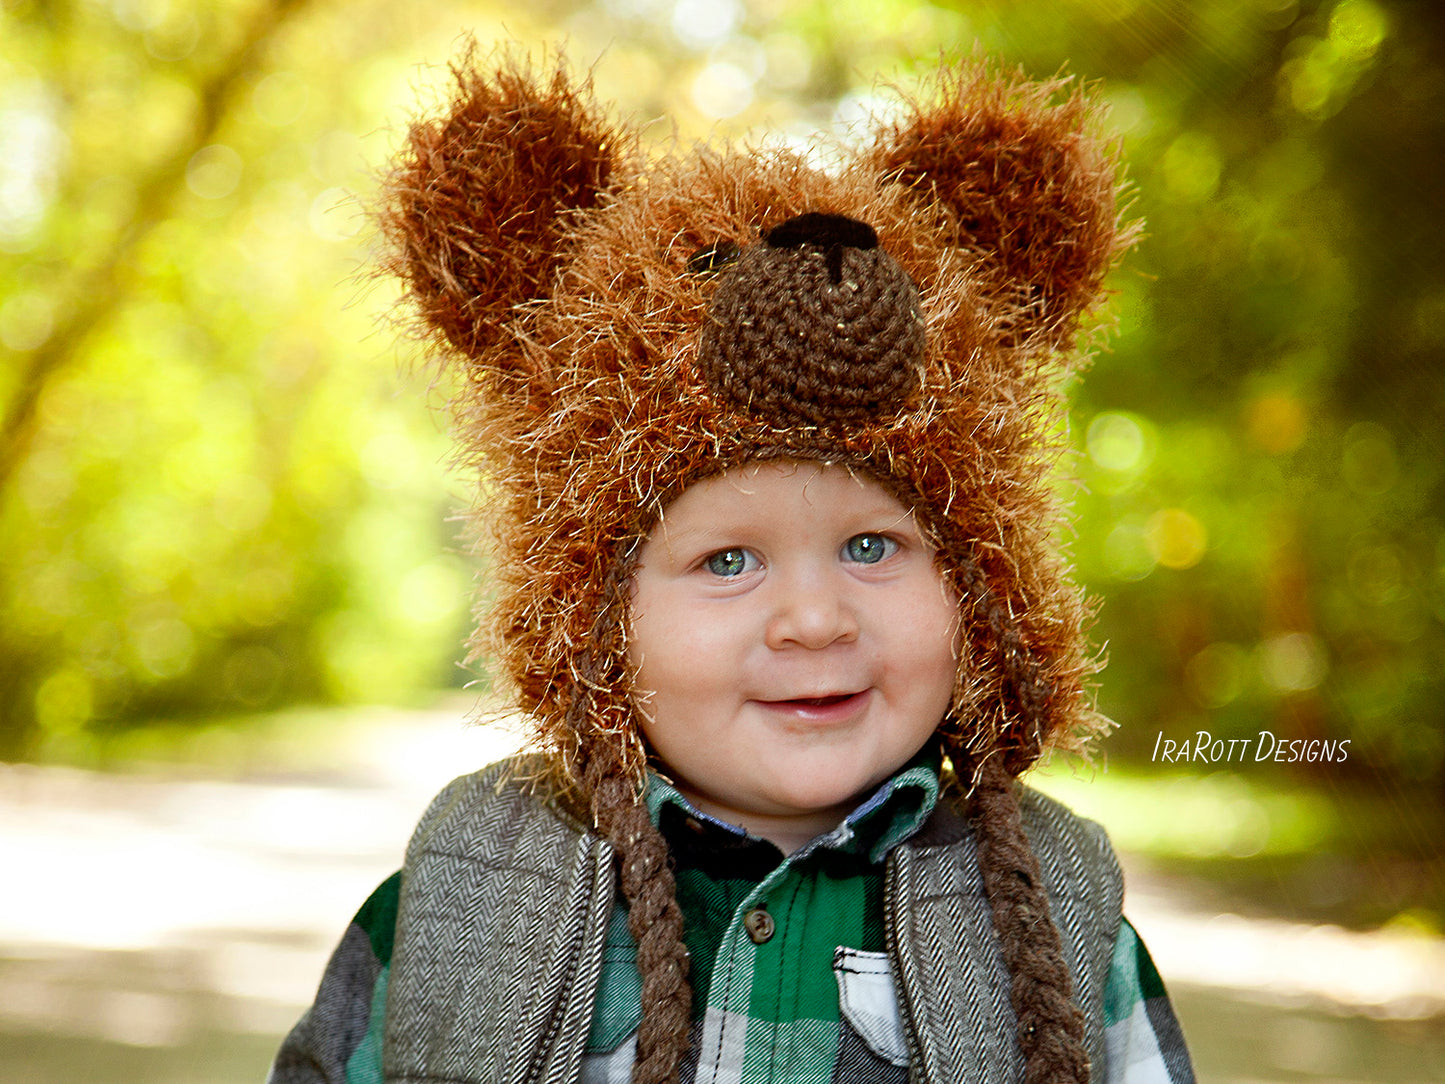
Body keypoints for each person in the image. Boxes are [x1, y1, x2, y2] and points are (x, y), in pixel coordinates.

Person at [270, 47, 1195, 1084]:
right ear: (592, 620)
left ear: (978, 588)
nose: (812, 618)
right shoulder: (467, 893)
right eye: (724, 560)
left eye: (871, 545)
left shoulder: (1055, 919)